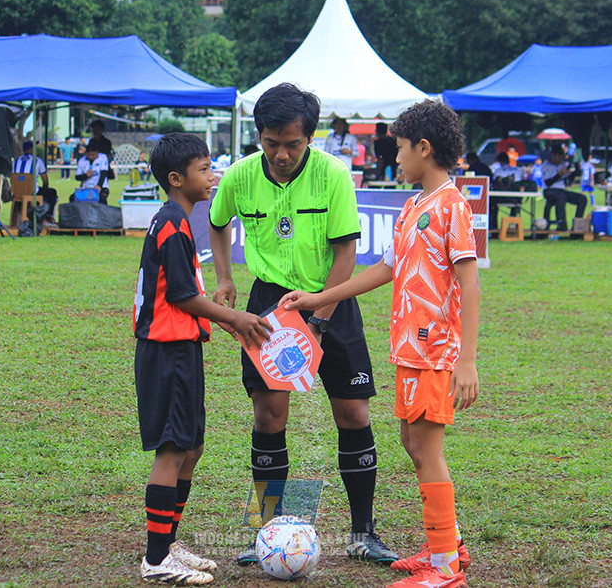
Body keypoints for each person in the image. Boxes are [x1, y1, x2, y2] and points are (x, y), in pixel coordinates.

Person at [280, 99, 478, 588]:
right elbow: (386, 270)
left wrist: (467, 360)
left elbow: (469, 285)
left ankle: (445, 568)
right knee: (413, 443)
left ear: (425, 149)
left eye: (401, 149)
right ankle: (445, 546)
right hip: (408, 349)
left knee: (427, 450)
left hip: (435, 351)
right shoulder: (413, 206)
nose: (396, 158)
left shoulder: (452, 206)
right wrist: (320, 296)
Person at [207, 83, 397, 566]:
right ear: (260, 136)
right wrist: (225, 277)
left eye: (293, 143)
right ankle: (263, 533)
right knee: (269, 416)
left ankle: (362, 533)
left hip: (332, 298)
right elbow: (217, 218)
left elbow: (346, 252)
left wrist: (318, 319)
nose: (282, 153)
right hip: (270, 306)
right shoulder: (243, 175)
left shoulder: (333, 174)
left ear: (309, 137)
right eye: (272, 142)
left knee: (353, 414)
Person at [134, 132, 272, 585]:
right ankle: (156, 560)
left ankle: (167, 542)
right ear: (176, 179)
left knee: (191, 447)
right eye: (203, 169)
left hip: (184, 347)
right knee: (173, 449)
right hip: (166, 351)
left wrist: (229, 322)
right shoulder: (172, 224)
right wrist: (236, 317)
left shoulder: (180, 221)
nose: (213, 177)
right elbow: (182, 295)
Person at [541, 144, 587, 231]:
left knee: (582, 199)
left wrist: (576, 165)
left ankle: (577, 224)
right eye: (558, 157)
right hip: (549, 190)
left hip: (562, 190)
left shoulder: (563, 165)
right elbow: (548, 182)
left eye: (562, 157)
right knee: (560, 196)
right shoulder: (546, 166)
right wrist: (559, 174)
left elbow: (571, 178)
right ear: (553, 156)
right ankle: (561, 223)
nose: (560, 159)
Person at [12, 140, 58, 223]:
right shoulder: (37, 161)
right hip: (32, 192)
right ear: (30, 149)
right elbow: (45, 181)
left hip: (17, 193)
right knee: (52, 192)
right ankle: (48, 216)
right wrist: (44, 189)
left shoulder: (16, 161)